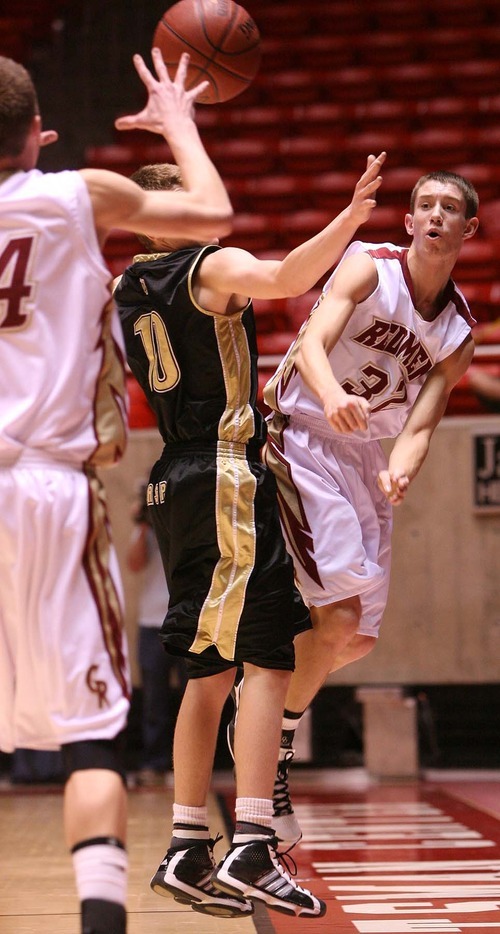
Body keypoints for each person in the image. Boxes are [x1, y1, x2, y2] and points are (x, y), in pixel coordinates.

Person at [114, 151, 386, 919]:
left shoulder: (126, 284)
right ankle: (254, 842)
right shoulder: (210, 264)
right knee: (268, 658)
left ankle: (183, 844)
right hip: (228, 471)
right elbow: (291, 276)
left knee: (207, 672)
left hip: (171, 474)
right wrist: (353, 218)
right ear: (183, 215)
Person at [0, 49, 232, 934]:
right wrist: (175, 118)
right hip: (51, 489)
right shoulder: (75, 194)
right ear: (33, 135)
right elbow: (210, 211)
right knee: (90, 739)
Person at [263, 169, 480, 847]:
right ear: (410, 220)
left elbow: (422, 421)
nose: (435, 215)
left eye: (449, 208)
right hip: (302, 432)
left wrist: (401, 470)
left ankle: (267, 688)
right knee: (342, 617)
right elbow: (313, 342)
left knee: (352, 640)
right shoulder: (369, 267)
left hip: (363, 457)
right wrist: (329, 397)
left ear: (469, 230)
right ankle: (274, 751)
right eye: (424, 205)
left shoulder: (458, 329)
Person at [126, 481, 186, 786]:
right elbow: (134, 563)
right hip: (152, 624)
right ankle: (154, 763)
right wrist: (144, 524)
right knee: (154, 702)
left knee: (195, 696)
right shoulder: (145, 529)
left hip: (189, 621)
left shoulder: (189, 519)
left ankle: (190, 766)